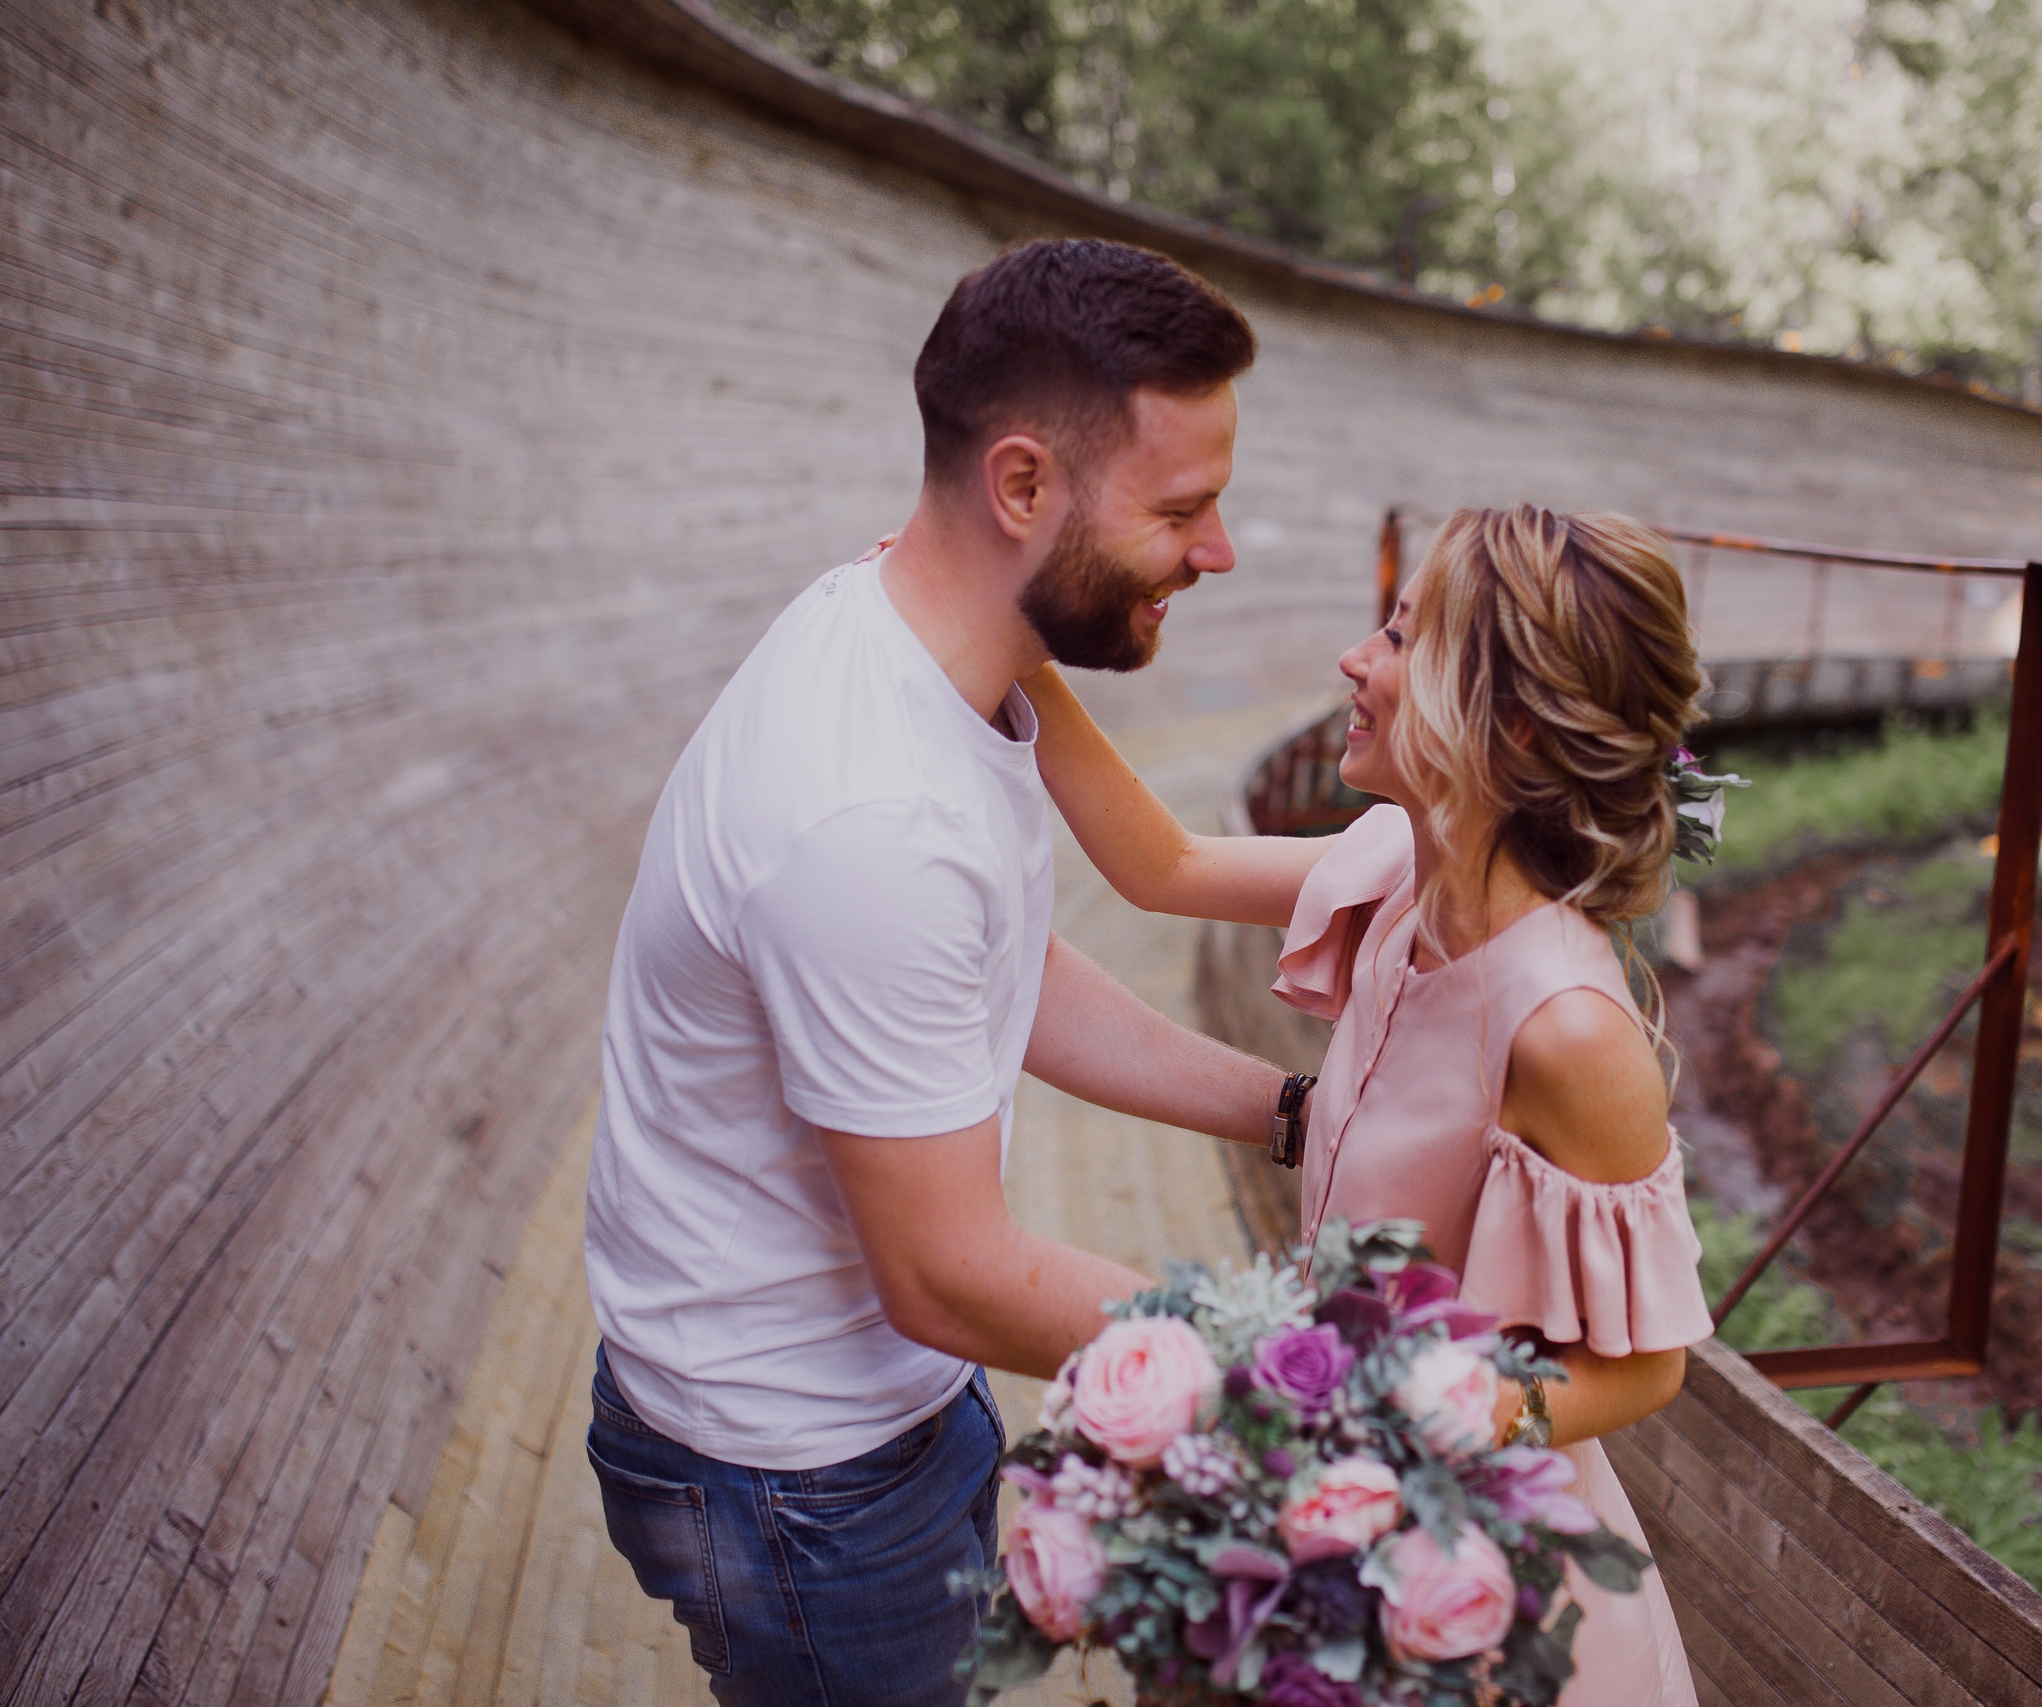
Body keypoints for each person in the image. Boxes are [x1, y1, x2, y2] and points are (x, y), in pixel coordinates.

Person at [581, 238, 1316, 1705]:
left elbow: (1000, 968)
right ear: (1024, 484)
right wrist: (1295, 1378)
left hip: (871, 1409)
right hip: (798, 1477)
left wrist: (1290, 1108)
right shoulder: (869, 820)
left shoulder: (925, 635)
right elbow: (950, 1271)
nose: (1220, 550)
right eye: (1182, 507)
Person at [1024, 503, 1713, 1706]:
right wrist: (1010, 646)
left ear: (1496, 716)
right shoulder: (1402, 868)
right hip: (1324, 1511)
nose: (1356, 659)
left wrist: (1421, 1418)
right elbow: (1159, 866)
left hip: (1478, 1592)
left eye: (1399, 637)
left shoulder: (1570, 1032)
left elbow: (1648, 1370)